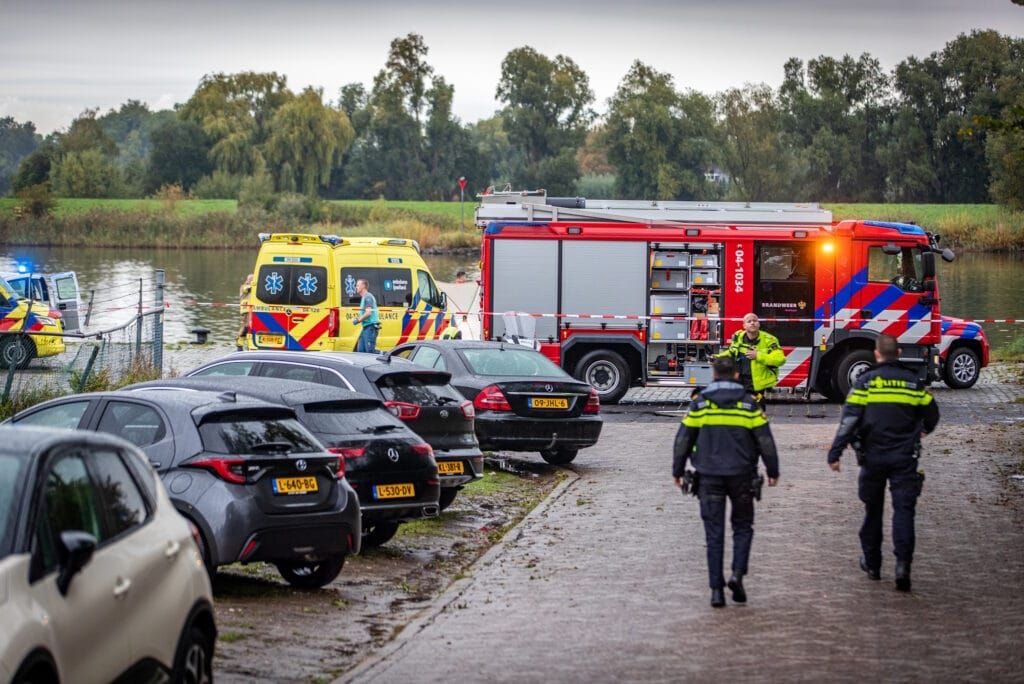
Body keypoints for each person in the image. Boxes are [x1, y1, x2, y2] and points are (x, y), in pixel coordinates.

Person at [826, 334, 939, 592]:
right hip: (905, 458)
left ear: (877, 354)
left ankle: (873, 564)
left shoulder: (865, 383)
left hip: (873, 457)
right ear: (898, 353)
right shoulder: (913, 384)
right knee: (904, 512)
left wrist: (836, 452)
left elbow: (849, 419)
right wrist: (922, 430)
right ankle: (902, 566)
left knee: (873, 512)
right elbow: (932, 413)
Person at [673, 356, 780, 608]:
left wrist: (677, 470)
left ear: (713, 375)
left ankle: (716, 592)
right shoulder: (749, 405)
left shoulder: (700, 405)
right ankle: (737, 575)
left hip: (709, 476)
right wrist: (773, 469)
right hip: (742, 475)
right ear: (735, 375)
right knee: (743, 527)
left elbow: (683, 439)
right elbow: (764, 439)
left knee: (714, 534)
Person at [719, 313, 785, 410]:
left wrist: (758, 356)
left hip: (756, 384)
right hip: (739, 380)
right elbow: (732, 352)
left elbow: (780, 360)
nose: (752, 323)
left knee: (756, 411)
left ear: (759, 324)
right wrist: (717, 357)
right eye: (749, 321)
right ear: (744, 325)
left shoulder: (769, 340)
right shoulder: (738, 337)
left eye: (755, 320)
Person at [353, 278, 380, 353]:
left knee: (369, 351)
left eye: (358, 285)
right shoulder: (364, 297)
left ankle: (384, 355)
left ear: (363, 286)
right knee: (361, 351)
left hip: (370, 327)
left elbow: (368, 313)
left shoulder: (368, 297)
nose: (356, 287)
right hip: (366, 327)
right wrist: (359, 318)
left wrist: (358, 320)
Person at [236, 274, 254, 351]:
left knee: (250, 328)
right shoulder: (244, 286)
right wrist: (254, 285)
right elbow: (247, 289)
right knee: (245, 327)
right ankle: (239, 344)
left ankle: (249, 345)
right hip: (246, 310)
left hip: (252, 310)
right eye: (252, 279)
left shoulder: (252, 287)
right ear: (248, 280)